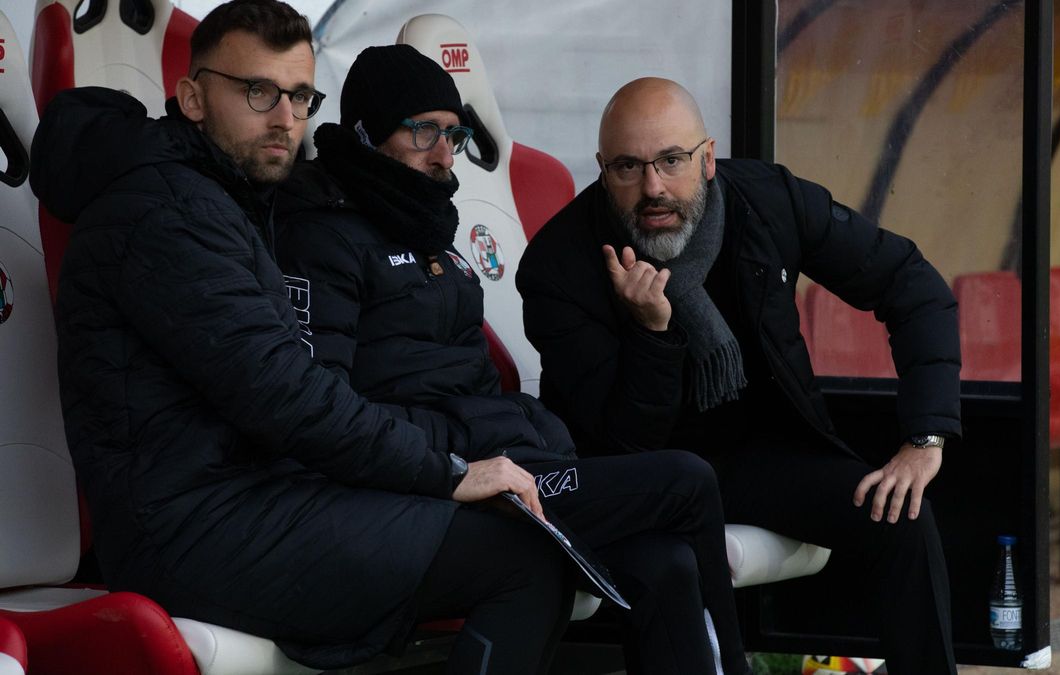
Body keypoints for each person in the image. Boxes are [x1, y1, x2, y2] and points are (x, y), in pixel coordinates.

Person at [32, 2, 574, 672]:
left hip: (253, 501)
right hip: (192, 532)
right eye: (259, 91)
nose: (285, 117)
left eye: (298, 96)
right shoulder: (167, 208)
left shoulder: (227, 195)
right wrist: (446, 471)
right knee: (521, 557)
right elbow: (287, 396)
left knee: (544, 530)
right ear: (193, 97)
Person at [273, 44, 749, 675]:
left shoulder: (430, 235)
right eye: (423, 132)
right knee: (686, 480)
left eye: (454, 133)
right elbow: (324, 405)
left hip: (510, 458)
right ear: (366, 134)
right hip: (439, 481)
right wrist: (455, 463)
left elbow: (468, 382)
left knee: (667, 561)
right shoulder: (322, 237)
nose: (445, 153)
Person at [516, 77, 963, 675]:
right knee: (672, 548)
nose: (652, 188)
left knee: (900, 515)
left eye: (671, 161)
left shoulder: (767, 201)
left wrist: (924, 438)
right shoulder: (558, 266)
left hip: (757, 455)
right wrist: (654, 333)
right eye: (628, 167)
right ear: (601, 169)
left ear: (706, 158)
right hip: (641, 474)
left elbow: (911, 283)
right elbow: (623, 441)